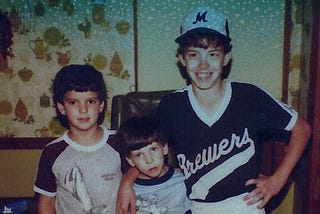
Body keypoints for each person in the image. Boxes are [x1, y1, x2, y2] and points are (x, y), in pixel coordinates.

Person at [116, 6, 311, 214]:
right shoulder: (171, 107)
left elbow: (302, 129)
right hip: (200, 207)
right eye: (193, 55)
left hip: (246, 205)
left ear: (226, 57)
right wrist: (126, 183)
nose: (203, 65)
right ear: (182, 59)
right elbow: (145, 149)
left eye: (213, 54)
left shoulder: (249, 96)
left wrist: (277, 180)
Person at [34, 64, 122, 214]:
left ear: (101, 105)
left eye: (91, 101)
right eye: (73, 102)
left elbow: (141, 173)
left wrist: (127, 182)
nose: (83, 109)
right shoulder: (52, 152)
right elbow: (46, 203)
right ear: (62, 107)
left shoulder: (119, 141)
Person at [117, 116, 191, 214]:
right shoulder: (129, 191)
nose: (149, 160)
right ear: (130, 160)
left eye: (153, 149)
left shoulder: (182, 182)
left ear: (164, 148)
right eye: (139, 155)